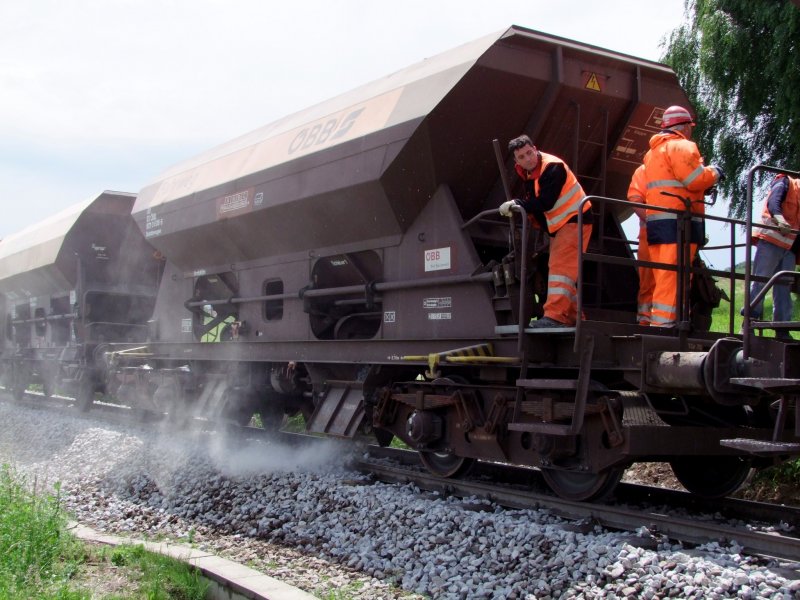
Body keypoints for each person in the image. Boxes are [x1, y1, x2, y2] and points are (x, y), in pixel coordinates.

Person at [499, 135, 592, 328]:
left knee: (560, 268)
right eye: (522, 157)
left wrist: (517, 204)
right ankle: (574, 318)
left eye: (529, 153)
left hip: (575, 220)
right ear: (516, 161)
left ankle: (555, 317)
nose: (527, 159)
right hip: (562, 225)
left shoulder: (552, 167)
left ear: (535, 148)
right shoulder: (529, 172)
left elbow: (546, 202)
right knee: (562, 271)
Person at [642, 105, 723, 328]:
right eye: (690, 127)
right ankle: (666, 326)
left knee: (665, 275)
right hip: (679, 222)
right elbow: (694, 180)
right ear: (685, 127)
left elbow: (677, 183)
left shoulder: (652, 153)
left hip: (659, 222)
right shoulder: (682, 146)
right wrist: (714, 172)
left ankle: (669, 321)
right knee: (675, 275)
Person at [746, 174, 800, 339]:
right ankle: (748, 323)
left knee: (784, 287)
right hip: (770, 242)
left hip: (789, 248)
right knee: (760, 281)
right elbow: (773, 202)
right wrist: (780, 219)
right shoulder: (786, 182)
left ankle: (782, 328)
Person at [627, 164, 654, 325]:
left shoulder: (680, 167)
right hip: (650, 237)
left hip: (674, 238)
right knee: (648, 281)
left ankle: (665, 319)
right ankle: (645, 319)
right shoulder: (645, 171)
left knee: (672, 280)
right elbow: (635, 199)